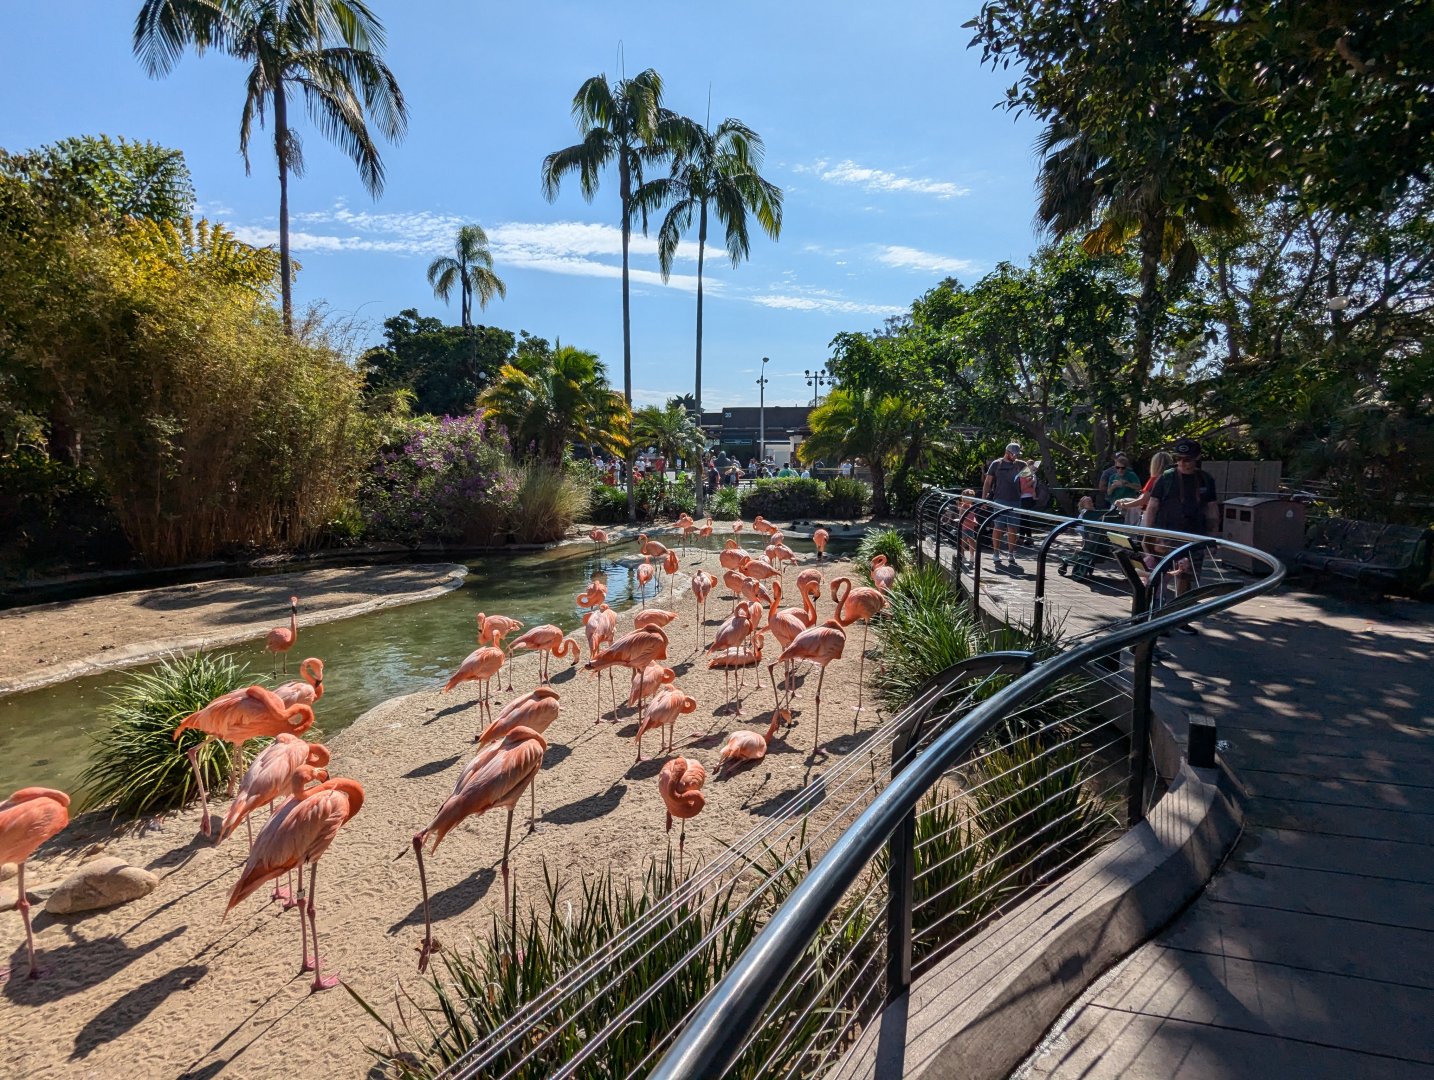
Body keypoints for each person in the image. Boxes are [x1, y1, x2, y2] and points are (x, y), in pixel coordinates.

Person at [1143, 437, 1219, 626]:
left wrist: (1213, 536)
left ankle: (1180, 620)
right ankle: (1155, 618)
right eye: (1180, 459)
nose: (1183, 463)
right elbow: (1152, 506)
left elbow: (1211, 508)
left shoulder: (1206, 479)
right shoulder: (1166, 478)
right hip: (1165, 537)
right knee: (1161, 578)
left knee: (1188, 579)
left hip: (1194, 537)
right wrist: (1147, 534)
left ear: (1197, 458)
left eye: (1188, 459)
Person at [982, 441, 1027, 566]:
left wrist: (1029, 473)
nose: (1015, 456)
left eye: (1017, 454)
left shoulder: (1021, 464)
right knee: (998, 526)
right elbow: (988, 482)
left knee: (1012, 528)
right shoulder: (996, 464)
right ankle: (996, 552)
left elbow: (1027, 480)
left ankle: (1011, 553)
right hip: (1000, 498)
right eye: (1013, 454)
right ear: (1007, 453)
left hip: (1015, 499)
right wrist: (984, 498)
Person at [1116, 451, 1173, 524]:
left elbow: (1144, 500)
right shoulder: (1174, 480)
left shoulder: (1155, 480)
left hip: (1152, 516)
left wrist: (1124, 505)